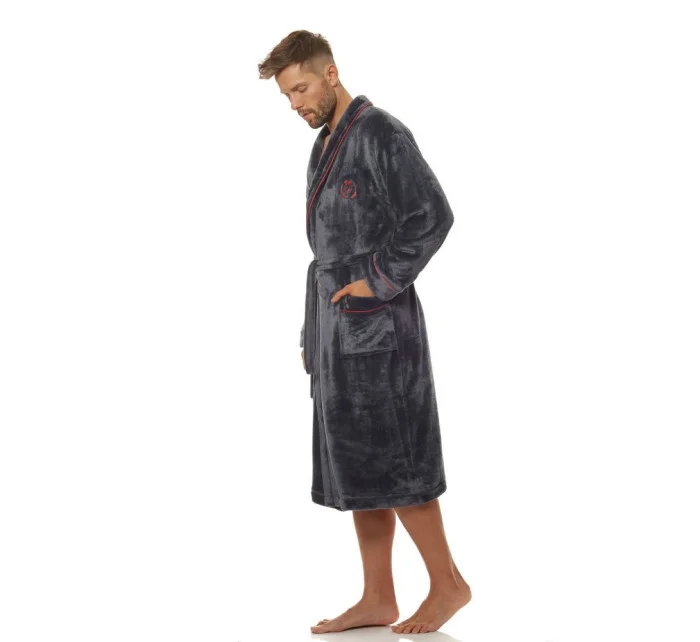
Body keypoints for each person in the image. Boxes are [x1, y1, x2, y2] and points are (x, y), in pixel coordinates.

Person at [258, 30, 471, 635]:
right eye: (287, 95)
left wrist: (376, 282)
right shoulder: (325, 143)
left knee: (398, 458)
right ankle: (378, 595)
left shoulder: (379, 132)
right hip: (339, 328)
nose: (295, 103)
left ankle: (449, 584)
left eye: (301, 88)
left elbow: (432, 215)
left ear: (331, 73)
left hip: (381, 329)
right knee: (359, 465)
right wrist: (315, 327)